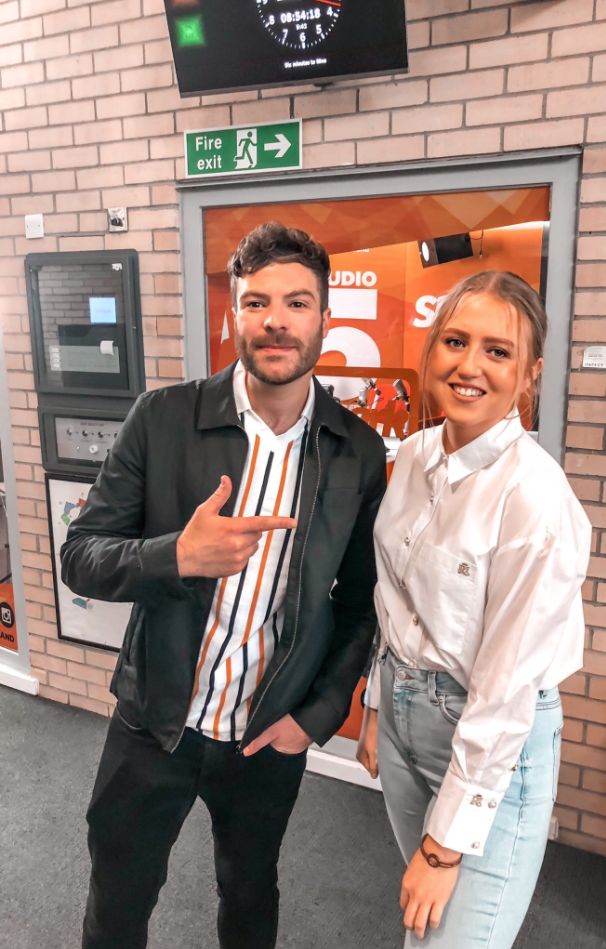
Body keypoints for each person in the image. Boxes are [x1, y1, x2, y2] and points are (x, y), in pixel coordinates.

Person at [61, 221, 387, 949]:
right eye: (256, 302)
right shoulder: (162, 418)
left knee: (250, 895)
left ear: (324, 316)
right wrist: (174, 555)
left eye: (297, 302)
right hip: (154, 722)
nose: (276, 320)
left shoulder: (357, 452)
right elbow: (80, 556)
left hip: (266, 733)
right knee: (117, 898)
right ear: (233, 315)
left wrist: (320, 713)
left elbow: (360, 603)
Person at [357, 271, 591, 948]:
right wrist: (377, 704)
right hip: (403, 711)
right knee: (423, 927)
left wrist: (443, 850)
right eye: (455, 341)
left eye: (498, 350)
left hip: (492, 738)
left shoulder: (535, 496)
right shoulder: (414, 454)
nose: (469, 365)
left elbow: (507, 686)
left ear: (530, 372)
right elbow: (394, 595)